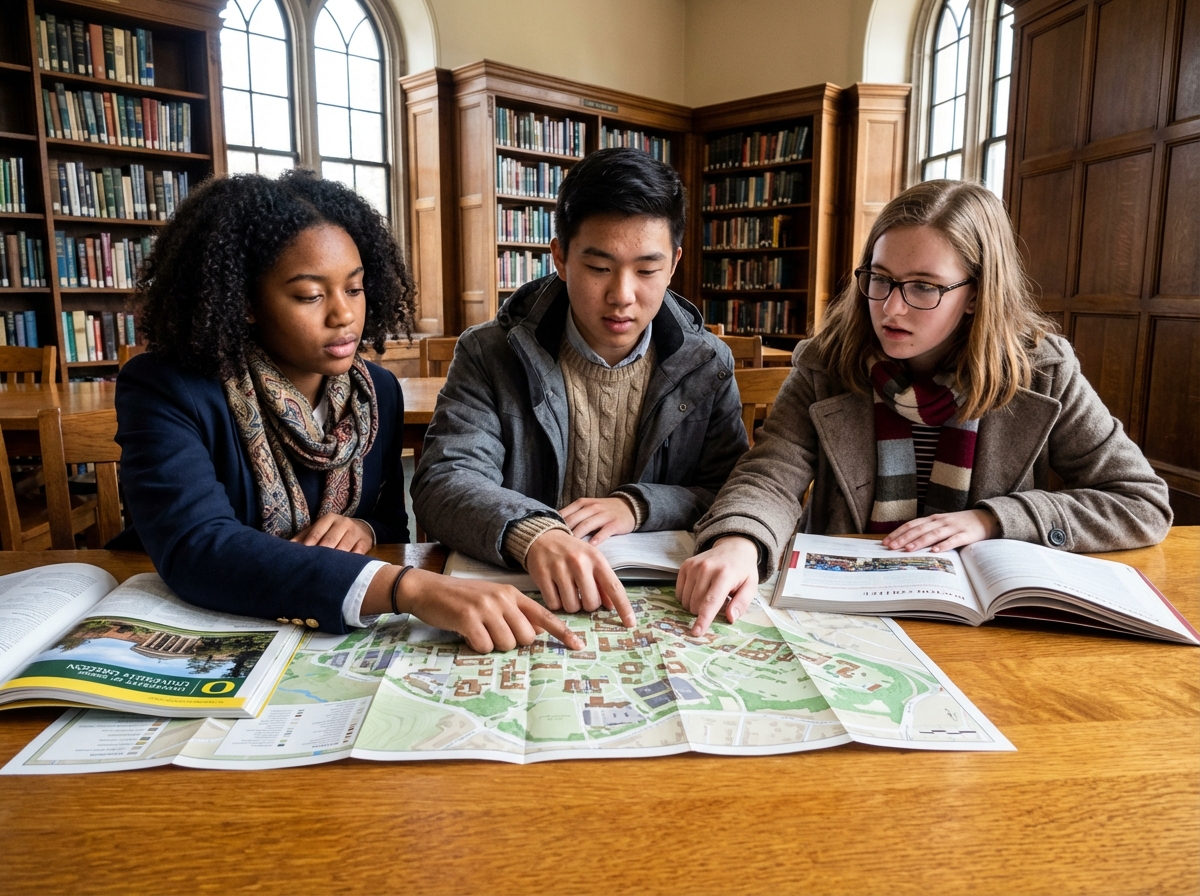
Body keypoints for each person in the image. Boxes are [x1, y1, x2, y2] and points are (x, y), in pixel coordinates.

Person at [112, 169, 582, 653]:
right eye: (310, 295)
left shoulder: (376, 392)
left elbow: (390, 525)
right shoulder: (166, 387)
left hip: (317, 636)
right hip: (189, 623)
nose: (344, 315)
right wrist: (406, 587)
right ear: (246, 302)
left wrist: (363, 528)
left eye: (354, 289)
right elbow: (198, 548)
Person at [678, 179, 1173, 634]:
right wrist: (740, 542)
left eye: (923, 287)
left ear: (977, 295)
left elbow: (1141, 502)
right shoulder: (826, 362)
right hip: (842, 611)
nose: (891, 307)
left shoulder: (1041, 369)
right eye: (880, 278)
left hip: (983, 627)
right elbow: (770, 475)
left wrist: (995, 520)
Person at [411, 148, 749, 627]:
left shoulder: (706, 363)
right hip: (522, 605)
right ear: (561, 257)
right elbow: (443, 480)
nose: (622, 295)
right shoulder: (491, 353)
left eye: (647, 270)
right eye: (598, 268)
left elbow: (729, 488)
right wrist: (531, 533)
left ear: (674, 263)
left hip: (657, 608)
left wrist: (638, 506)